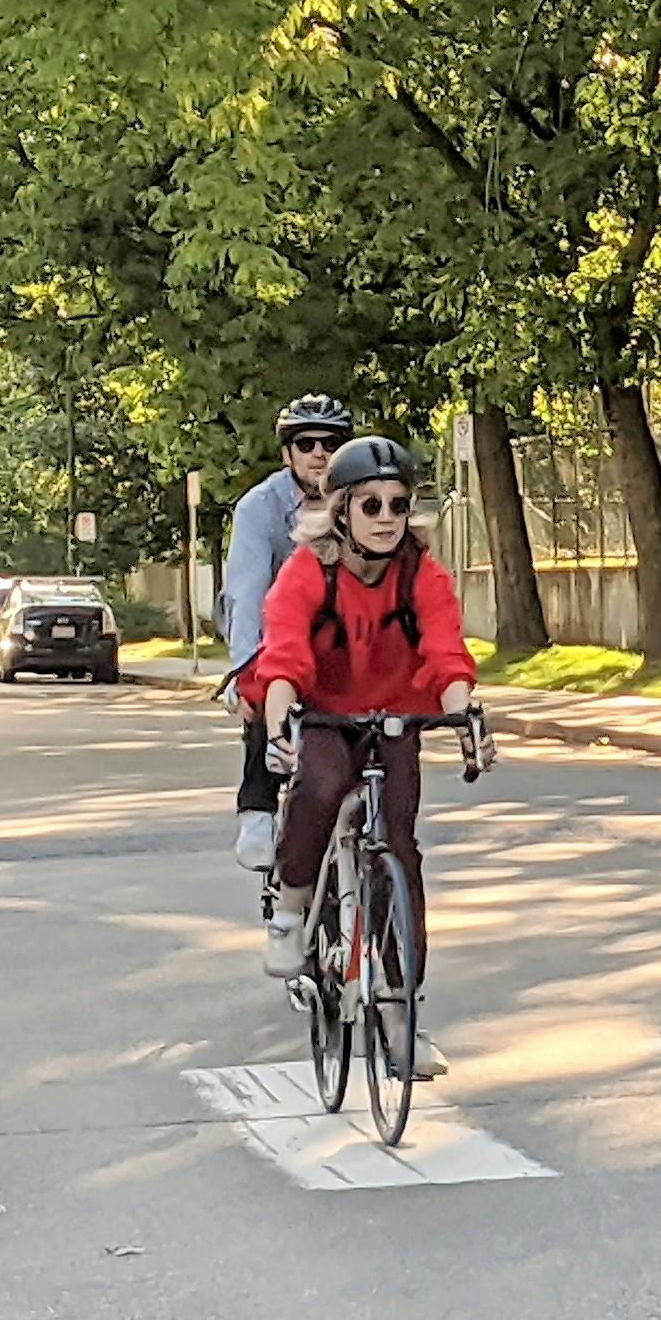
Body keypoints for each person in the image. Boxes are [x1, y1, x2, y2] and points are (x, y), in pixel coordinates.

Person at [243, 436, 488, 1074]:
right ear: (342, 511)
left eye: (398, 505)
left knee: (400, 856)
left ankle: (403, 1019)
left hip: (395, 717)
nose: (386, 518)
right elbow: (284, 660)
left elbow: (446, 652)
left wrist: (463, 714)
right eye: (371, 505)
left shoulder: (419, 573)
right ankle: (293, 909)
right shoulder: (308, 570)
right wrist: (279, 729)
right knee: (320, 789)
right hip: (325, 712)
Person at [221, 393, 356, 867]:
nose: (318, 454)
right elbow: (246, 592)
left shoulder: (367, 502)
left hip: (343, 639)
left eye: (331, 444)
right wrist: (244, 672)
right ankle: (257, 811)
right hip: (276, 636)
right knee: (267, 686)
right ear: (288, 454)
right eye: (306, 444)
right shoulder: (260, 507)